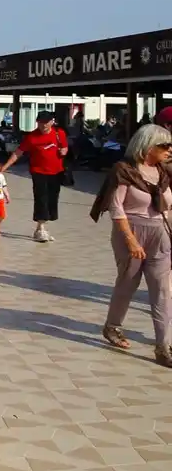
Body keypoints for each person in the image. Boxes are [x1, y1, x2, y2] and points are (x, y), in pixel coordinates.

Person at [90, 124, 172, 367]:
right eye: (164, 145)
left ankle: (163, 345)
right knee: (128, 283)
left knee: (162, 290)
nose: (169, 150)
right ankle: (112, 326)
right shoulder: (124, 170)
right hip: (131, 231)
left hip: (160, 233)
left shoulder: (165, 172)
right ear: (147, 146)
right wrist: (131, 240)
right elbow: (116, 208)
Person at [0, 111, 68, 242]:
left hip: (56, 172)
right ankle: (41, 228)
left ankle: (42, 228)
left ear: (52, 122)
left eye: (46, 122)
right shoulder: (32, 137)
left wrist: (63, 151)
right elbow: (18, 153)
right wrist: (5, 167)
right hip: (38, 172)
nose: (43, 125)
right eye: (40, 122)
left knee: (52, 199)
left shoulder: (59, 133)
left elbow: (64, 147)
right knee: (41, 198)